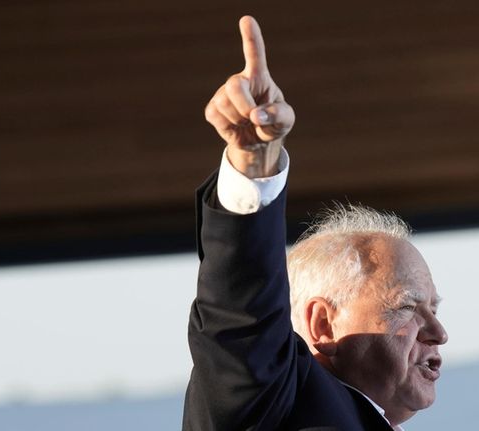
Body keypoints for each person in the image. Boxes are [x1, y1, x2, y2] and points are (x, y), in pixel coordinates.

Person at [182, 16, 448, 430]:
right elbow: (243, 323)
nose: (437, 332)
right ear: (323, 324)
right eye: (407, 307)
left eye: (432, 309)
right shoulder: (275, 398)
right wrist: (254, 164)